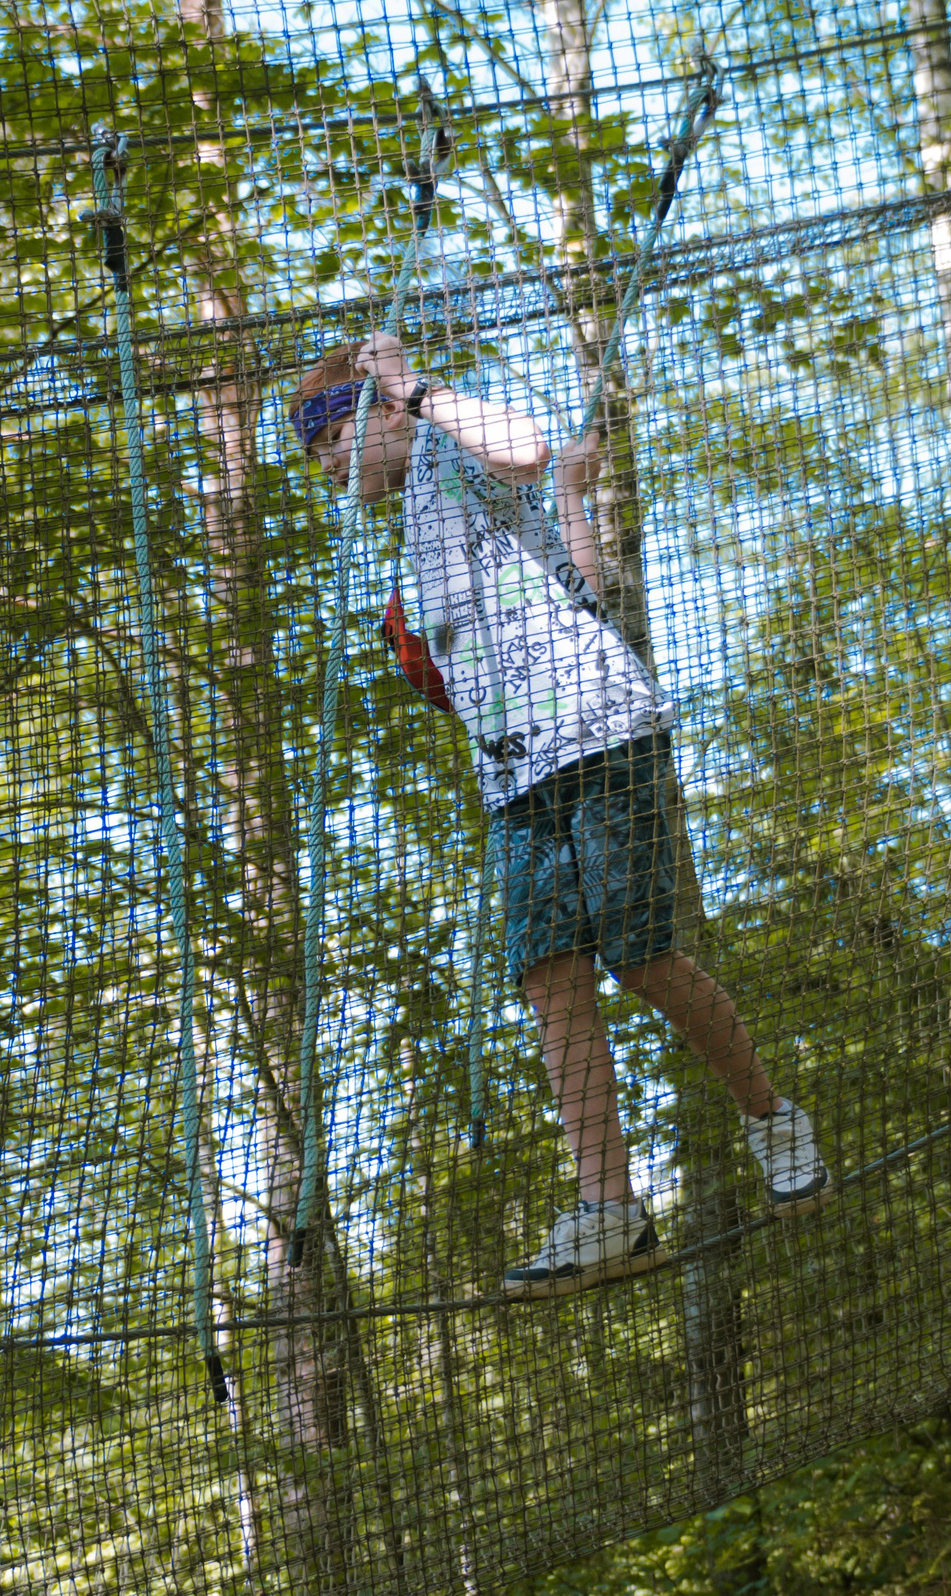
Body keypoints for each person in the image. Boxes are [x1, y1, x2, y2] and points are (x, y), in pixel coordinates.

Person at [288, 331, 832, 1299]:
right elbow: (576, 587)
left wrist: (412, 386)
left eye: (329, 441)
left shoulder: (449, 450)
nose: (324, 468)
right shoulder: (416, 547)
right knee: (546, 977)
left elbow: (525, 447)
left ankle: (770, 1115)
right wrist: (574, 500)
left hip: (598, 732)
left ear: (371, 414)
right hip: (515, 775)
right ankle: (609, 1209)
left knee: (641, 955)